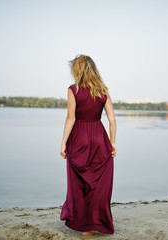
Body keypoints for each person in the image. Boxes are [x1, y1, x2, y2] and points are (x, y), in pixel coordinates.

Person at [60, 55, 117, 236]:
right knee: (98, 183)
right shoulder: (103, 91)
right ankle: (93, 224)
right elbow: (112, 119)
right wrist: (113, 142)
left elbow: (71, 118)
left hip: (80, 139)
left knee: (79, 182)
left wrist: (63, 143)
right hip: (100, 138)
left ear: (77, 70)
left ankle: (84, 222)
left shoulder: (73, 90)